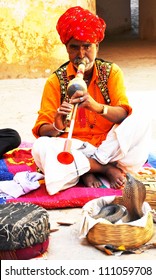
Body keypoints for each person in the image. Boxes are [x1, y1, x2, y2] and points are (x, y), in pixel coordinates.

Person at [32, 6, 150, 195]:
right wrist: (57, 125)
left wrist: (97, 107)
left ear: (97, 47)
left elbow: (123, 114)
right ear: (66, 48)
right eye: (74, 47)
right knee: (40, 147)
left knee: (143, 114)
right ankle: (101, 168)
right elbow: (42, 129)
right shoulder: (55, 81)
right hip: (72, 147)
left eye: (87, 46)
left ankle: (85, 168)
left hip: (108, 147)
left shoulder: (111, 72)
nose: (81, 55)